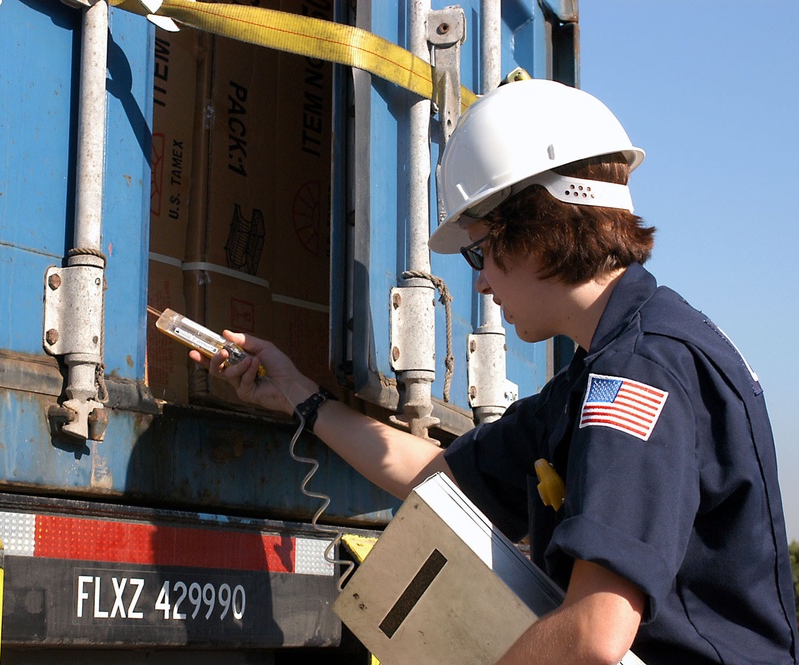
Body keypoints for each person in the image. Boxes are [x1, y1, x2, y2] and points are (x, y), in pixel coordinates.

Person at [190, 79, 799, 664]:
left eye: (481, 251)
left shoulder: (637, 375)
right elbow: (438, 475)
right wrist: (299, 395)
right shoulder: (599, 376)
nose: (479, 280)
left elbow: (595, 632)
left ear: (539, 228)